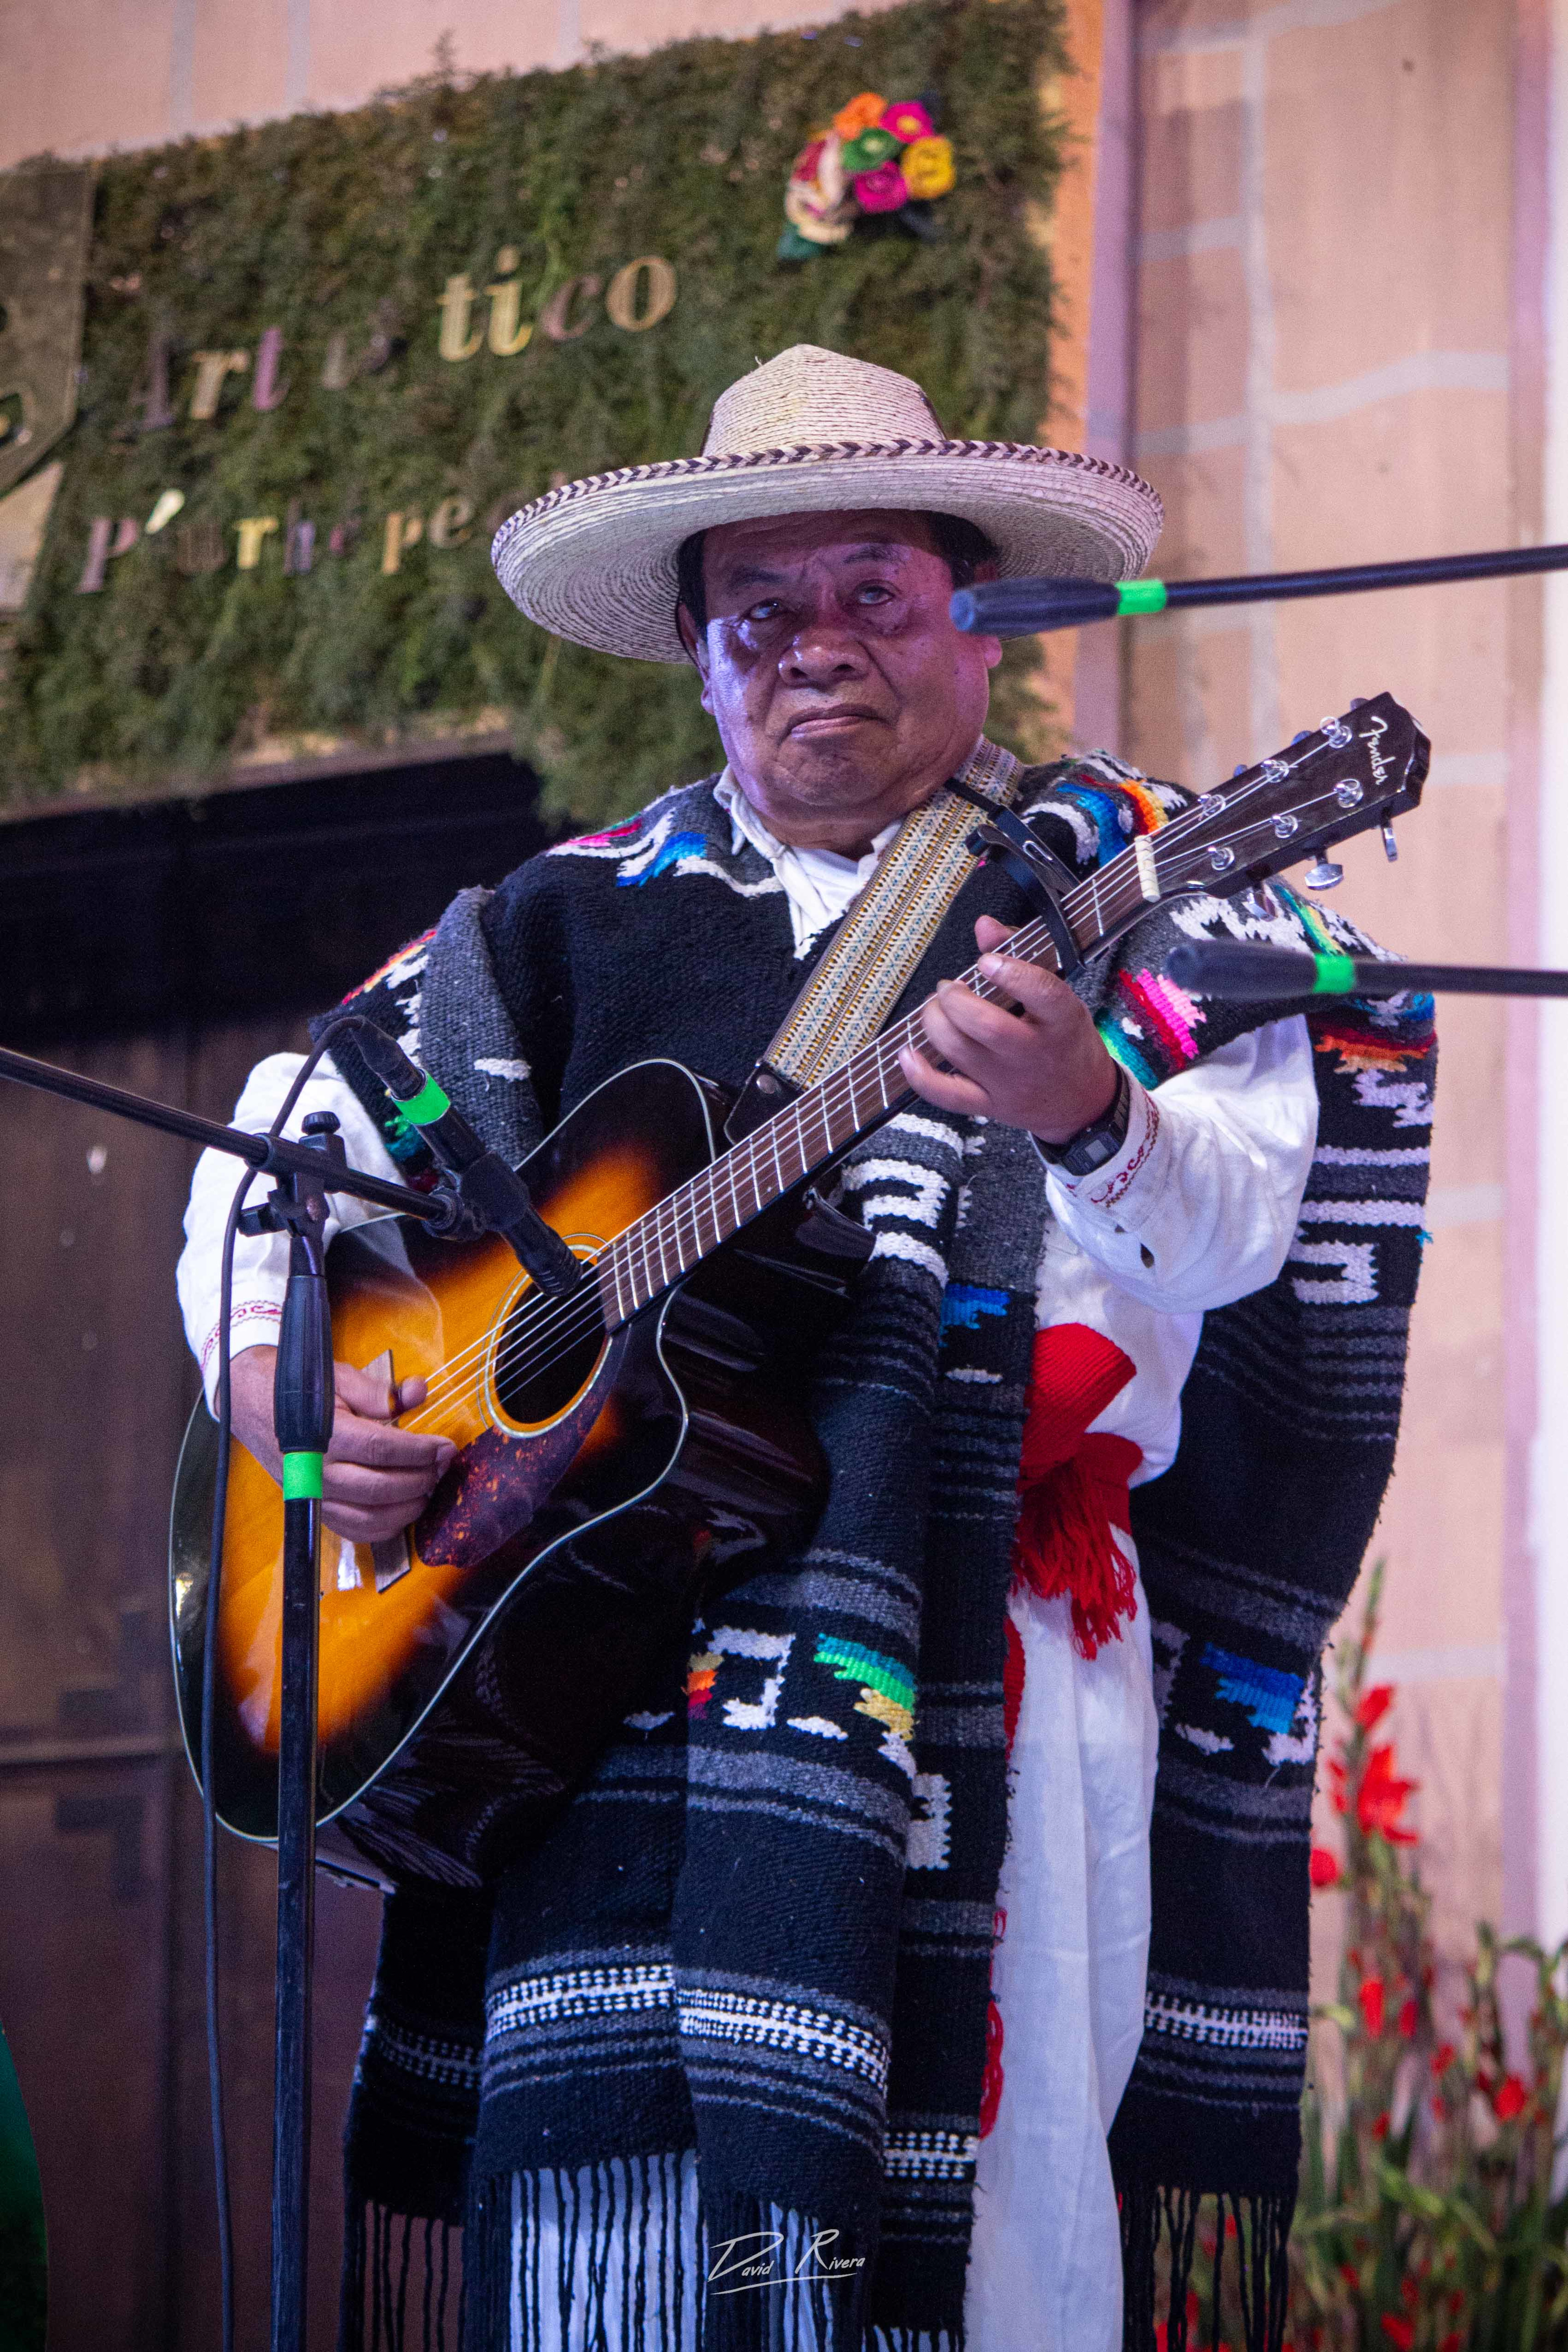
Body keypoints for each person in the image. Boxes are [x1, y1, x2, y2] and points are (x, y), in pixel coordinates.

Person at [177, 345, 1434, 2352]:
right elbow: (268, 1168)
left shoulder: (1126, 871)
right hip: (587, 1678)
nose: (816, 646)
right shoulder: (551, 926)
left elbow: (1243, 1223)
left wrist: (1084, 1113)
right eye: (762, 610)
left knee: (990, 2260)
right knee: (628, 2289)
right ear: (696, 654)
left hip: (985, 1664)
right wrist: (287, 1385)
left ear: (977, 616)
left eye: (873, 590)